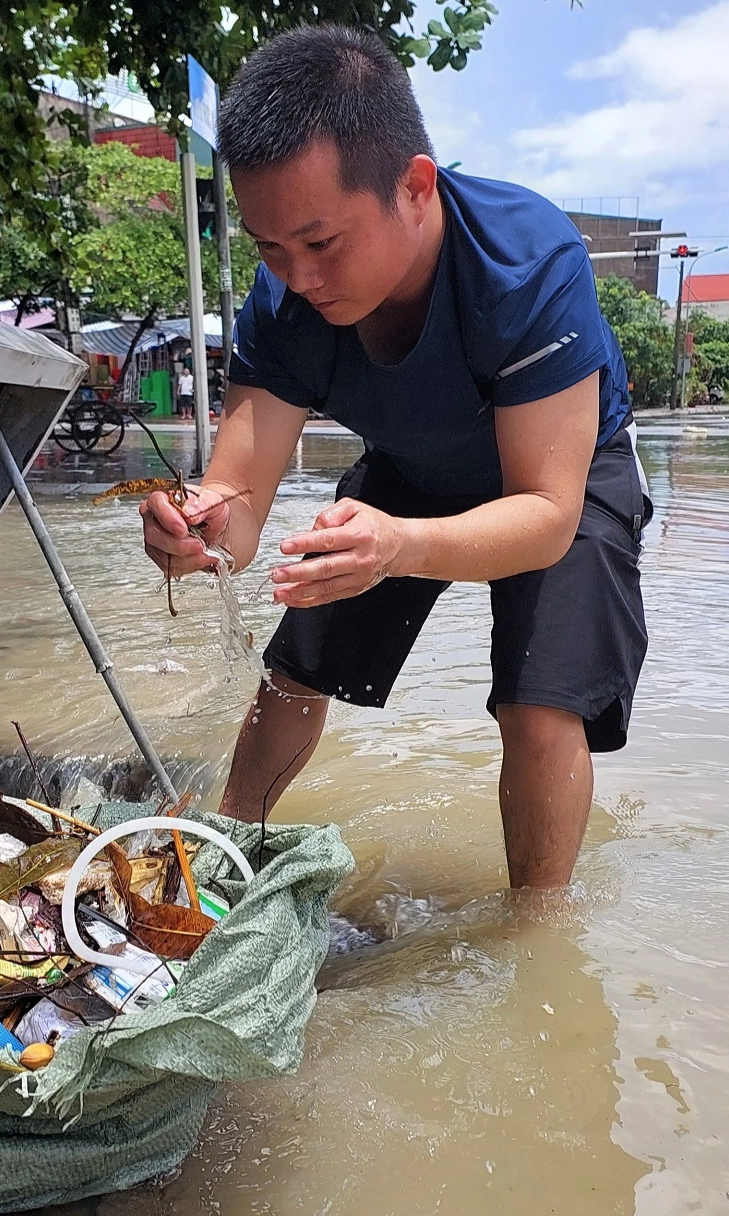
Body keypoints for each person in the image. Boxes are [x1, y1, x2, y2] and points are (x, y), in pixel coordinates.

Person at [139, 26, 649, 889]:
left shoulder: (526, 264)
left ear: (414, 188)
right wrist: (202, 529)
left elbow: (548, 514)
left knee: (538, 703)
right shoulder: (282, 304)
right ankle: (218, 856)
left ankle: (540, 936)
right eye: (268, 248)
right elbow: (242, 500)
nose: (295, 279)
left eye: (320, 242)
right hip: (410, 469)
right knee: (295, 669)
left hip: (563, 478)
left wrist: (403, 547)